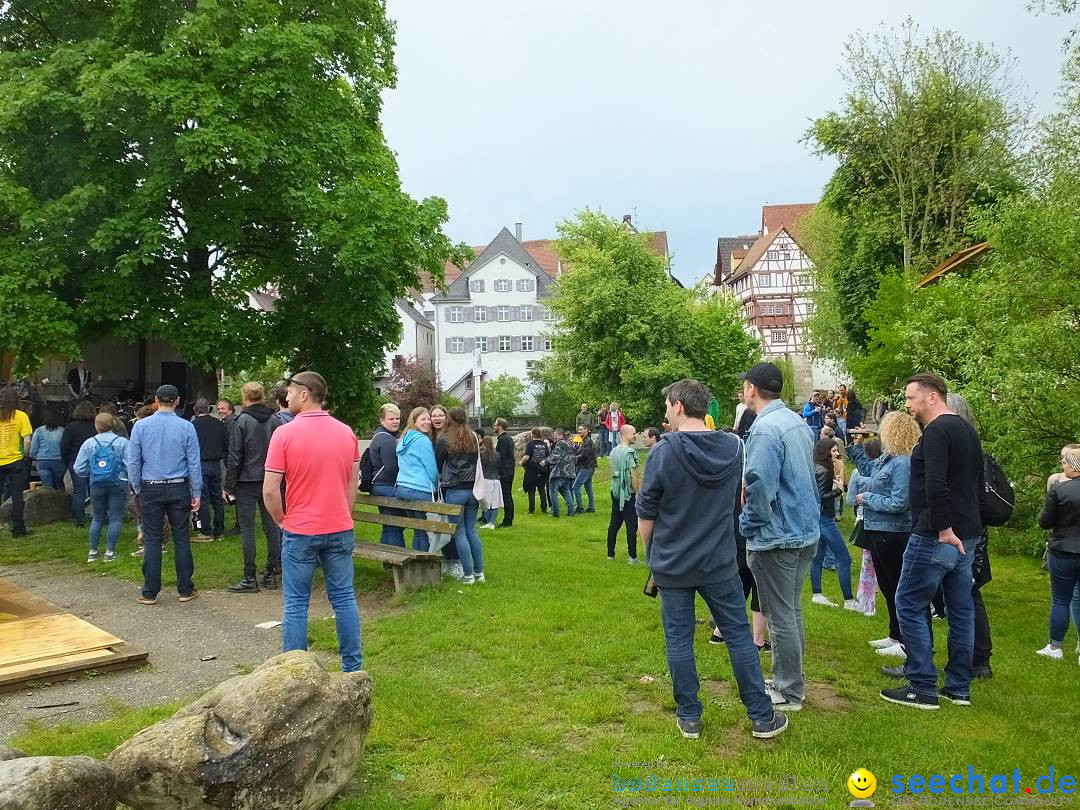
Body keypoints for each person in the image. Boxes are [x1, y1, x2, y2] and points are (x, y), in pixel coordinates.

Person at [637, 378, 788, 741]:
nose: (665, 413)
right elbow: (741, 496)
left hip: (673, 562)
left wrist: (651, 553)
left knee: (679, 638)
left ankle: (689, 716)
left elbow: (646, 512)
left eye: (667, 406)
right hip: (720, 559)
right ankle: (761, 716)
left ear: (677, 406)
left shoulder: (664, 451)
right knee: (739, 636)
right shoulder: (735, 445)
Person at [881, 373, 983, 710]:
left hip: (937, 534)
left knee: (908, 603)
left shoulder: (938, 431)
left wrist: (941, 529)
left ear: (932, 397)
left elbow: (936, 484)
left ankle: (922, 685)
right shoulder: (966, 430)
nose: (907, 405)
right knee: (960, 609)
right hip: (966, 533)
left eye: (911, 398)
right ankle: (958, 687)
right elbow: (974, 483)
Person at [263, 371, 363, 672]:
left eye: (290, 391)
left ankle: (294, 673)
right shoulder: (346, 432)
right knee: (344, 598)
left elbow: (269, 489)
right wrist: (343, 514)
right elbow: (351, 486)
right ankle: (353, 669)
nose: (287, 396)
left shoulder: (284, 433)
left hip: (300, 530)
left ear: (305, 394)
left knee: (296, 604)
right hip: (340, 528)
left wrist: (282, 521)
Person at [740, 363, 819, 713]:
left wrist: (747, 526)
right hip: (803, 531)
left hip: (777, 536)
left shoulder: (764, 429)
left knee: (780, 615)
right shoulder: (796, 422)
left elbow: (760, 488)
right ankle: (790, 680)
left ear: (751, 389)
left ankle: (789, 691)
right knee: (790, 612)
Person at [848, 412, 919, 661]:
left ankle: (903, 639)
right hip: (879, 528)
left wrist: (868, 498)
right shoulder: (888, 459)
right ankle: (894, 633)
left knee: (896, 586)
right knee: (888, 587)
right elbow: (868, 470)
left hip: (894, 531)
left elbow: (900, 502)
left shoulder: (903, 463)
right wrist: (857, 446)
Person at [125, 384, 202, 605]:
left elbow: (134, 460)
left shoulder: (141, 426)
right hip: (179, 486)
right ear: (177, 400)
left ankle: (150, 591)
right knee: (181, 538)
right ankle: (185, 589)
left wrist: (137, 487)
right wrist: (196, 490)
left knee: (152, 539)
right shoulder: (187, 427)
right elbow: (193, 463)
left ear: (157, 400)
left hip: (150, 486)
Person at [947, 393, 995, 679]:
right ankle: (975, 659)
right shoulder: (973, 448)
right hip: (970, 529)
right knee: (965, 595)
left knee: (965, 595)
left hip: (962, 532)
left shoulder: (964, 450)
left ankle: (976, 659)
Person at [224, 382, 282, 593]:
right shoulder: (275, 420)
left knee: (248, 528)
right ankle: (271, 572)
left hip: (247, 480)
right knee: (271, 527)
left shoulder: (240, 421)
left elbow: (235, 456)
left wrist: (228, 486)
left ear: (244, 397)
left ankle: (249, 576)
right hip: (271, 478)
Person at [1035, 444, 1080, 662]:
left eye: (1065, 462)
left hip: (1063, 550)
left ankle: (1056, 646)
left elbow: (1045, 522)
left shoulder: (1059, 490)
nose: (1063, 465)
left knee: (1061, 600)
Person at [434, 407, 485, 584]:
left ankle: (468, 574)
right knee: (472, 531)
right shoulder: (473, 437)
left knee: (460, 533)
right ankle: (479, 573)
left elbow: (437, 464)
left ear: (450, 419)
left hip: (453, 489)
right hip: (472, 490)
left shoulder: (444, 439)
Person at [807, 439, 856, 610]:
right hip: (825, 519)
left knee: (818, 557)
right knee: (845, 558)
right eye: (834, 451)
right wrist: (837, 491)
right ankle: (849, 601)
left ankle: (817, 594)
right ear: (826, 452)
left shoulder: (814, 467)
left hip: (816, 518)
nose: (837, 454)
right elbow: (820, 497)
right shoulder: (825, 470)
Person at [73, 412, 130, 562]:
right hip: (118, 482)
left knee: (97, 518)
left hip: (96, 484)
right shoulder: (123, 442)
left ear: (96, 425)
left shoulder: (89, 443)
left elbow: (78, 468)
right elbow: (131, 465)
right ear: (113, 423)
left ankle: (93, 552)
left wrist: (93, 473)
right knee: (115, 517)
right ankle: (110, 552)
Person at [395, 407, 438, 551]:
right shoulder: (423, 441)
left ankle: (416, 564)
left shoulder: (403, 439)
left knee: (418, 530)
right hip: (419, 489)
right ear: (414, 421)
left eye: (428, 419)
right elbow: (431, 469)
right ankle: (423, 566)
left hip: (402, 488)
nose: (427, 422)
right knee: (423, 531)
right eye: (423, 419)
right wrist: (437, 486)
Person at [191, 398, 227, 542]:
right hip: (216, 464)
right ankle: (219, 530)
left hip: (200, 464)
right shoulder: (219, 424)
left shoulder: (193, 425)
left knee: (202, 498)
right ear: (209, 409)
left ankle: (206, 530)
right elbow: (225, 444)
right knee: (217, 498)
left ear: (196, 409)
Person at [368, 403, 403, 546]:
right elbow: (392, 468)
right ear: (382, 420)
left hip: (379, 486)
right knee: (395, 526)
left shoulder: (378, 435)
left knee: (388, 525)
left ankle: (387, 561)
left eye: (397, 418)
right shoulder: (387, 439)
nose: (395, 422)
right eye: (391, 419)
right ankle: (397, 560)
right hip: (387, 487)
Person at [0, 387, 32, 537]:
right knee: (17, 496)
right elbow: (27, 441)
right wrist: (24, 455)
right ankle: (18, 528)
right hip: (16, 460)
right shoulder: (21, 416)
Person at [62, 400, 98, 529]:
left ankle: (79, 520)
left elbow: (64, 446)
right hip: (94, 461)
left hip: (75, 461)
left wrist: (66, 461)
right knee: (95, 490)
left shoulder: (71, 427)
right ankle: (98, 517)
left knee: (79, 491)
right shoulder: (96, 426)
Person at [608, 424, 640, 564]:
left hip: (615, 491)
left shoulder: (613, 451)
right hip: (627, 493)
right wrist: (637, 492)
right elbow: (633, 475)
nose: (635, 436)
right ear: (625, 434)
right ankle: (632, 557)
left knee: (614, 523)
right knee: (631, 525)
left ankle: (610, 554)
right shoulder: (629, 452)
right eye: (633, 433)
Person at [30, 407, 67, 489]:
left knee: (47, 487)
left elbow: (33, 449)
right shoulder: (63, 431)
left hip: (43, 461)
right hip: (59, 461)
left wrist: (36, 457)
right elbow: (66, 447)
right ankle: (61, 500)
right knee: (60, 484)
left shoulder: (38, 431)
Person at [547, 428, 577, 518]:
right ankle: (571, 511)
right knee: (566, 491)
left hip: (560, 471)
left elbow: (556, 456)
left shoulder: (560, 443)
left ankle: (556, 513)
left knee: (552, 491)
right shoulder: (568, 443)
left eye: (556, 435)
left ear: (561, 435)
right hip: (569, 472)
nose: (554, 437)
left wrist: (545, 461)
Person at [521, 428, 550, 514]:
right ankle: (544, 508)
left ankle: (531, 510)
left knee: (531, 490)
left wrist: (521, 462)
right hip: (542, 470)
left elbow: (526, 457)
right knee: (542, 490)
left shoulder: (530, 444)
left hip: (531, 470)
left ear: (533, 434)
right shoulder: (544, 445)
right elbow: (547, 457)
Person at [495, 418, 516, 528]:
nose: (493, 427)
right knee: (508, 495)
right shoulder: (508, 438)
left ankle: (508, 520)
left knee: (506, 495)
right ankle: (509, 518)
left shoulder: (503, 440)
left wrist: (498, 471)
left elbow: (500, 457)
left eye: (495, 425)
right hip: (510, 470)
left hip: (505, 472)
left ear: (500, 426)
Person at [479, 435, 503, 529]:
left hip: (486, 479)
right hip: (496, 479)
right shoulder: (497, 454)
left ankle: (488, 521)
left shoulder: (482, 454)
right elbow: (499, 466)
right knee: (495, 502)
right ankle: (492, 522)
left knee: (486, 502)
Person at [572, 425, 597, 514]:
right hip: (588, 467)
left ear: (586, 430)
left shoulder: (587, 441)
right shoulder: (583, 441)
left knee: (575, 486)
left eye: (581, 430)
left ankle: (579, 507)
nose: (579, 431)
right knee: (588, 488)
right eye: (579, 430)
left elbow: (584, 455)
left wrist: (574, 458)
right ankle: (591, 507)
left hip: (587, 467)